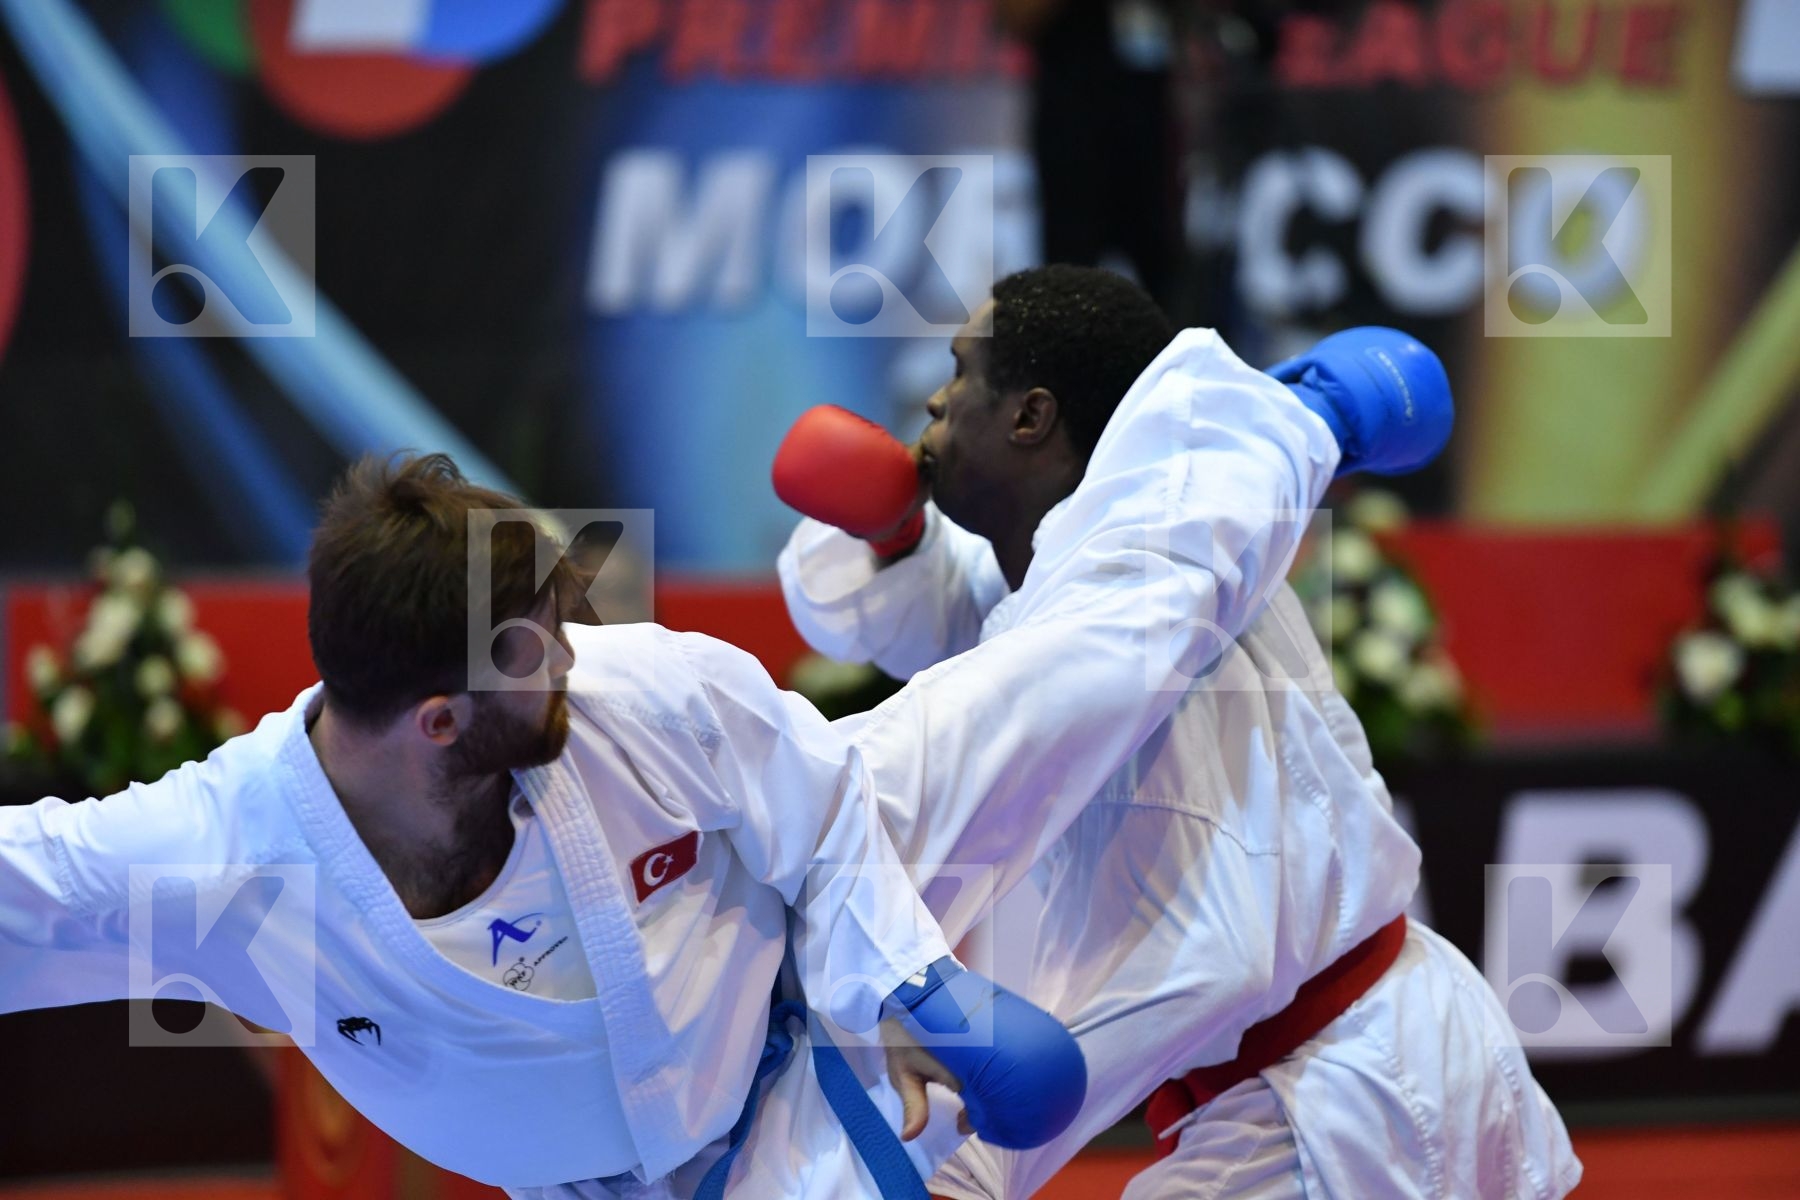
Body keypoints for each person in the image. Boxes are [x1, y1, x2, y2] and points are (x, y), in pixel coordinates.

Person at [0, 455, 1091, 1199]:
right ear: (439, 720)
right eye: (535, 649)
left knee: (1062, 693)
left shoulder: (645, 692)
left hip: (799, 1105)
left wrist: (906, 984)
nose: (572, 656)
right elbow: (27, 887)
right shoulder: (225, 858)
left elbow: (824, 806)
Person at [776, 264, 1583, 1198]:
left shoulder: (1138, 611)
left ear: (1030, 417)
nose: (934, 398)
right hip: (1352, 1075)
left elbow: (1207, 958)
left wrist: (967, 1146)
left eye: (961, 372)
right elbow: (959, 615)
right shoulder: (1075, 570)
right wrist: (892, 538)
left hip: (1344, 1107)